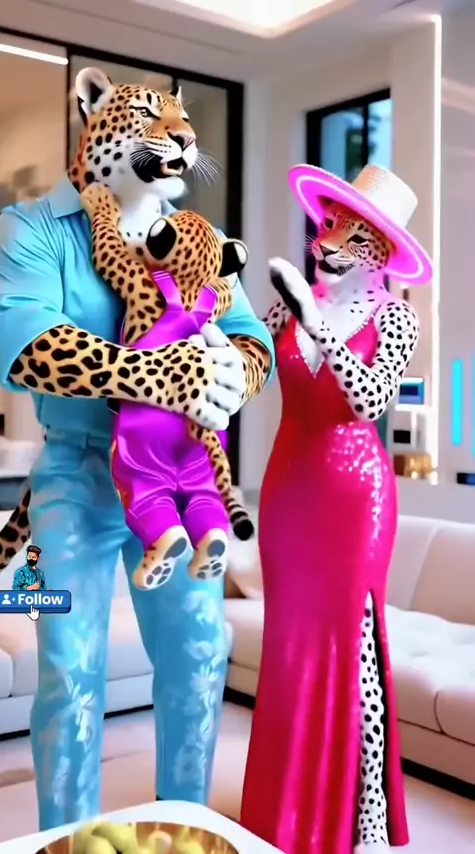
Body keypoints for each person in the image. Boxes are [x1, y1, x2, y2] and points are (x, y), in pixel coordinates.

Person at [0, 67, 274, 831]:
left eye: (180, 120)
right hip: (74, 472)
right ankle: (69, 839)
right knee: (68, 668)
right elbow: (24, 347)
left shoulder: (197, 235)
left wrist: (232, 374)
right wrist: (158, 375)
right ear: (94, 118)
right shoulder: (30, 228)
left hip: (180, 472)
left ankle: (186, 829)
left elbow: (251, 340)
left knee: (201, 652)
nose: (180, 132)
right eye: (151, 118)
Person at [241, 164, 433, 854]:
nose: (328, 241)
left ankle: (367, 815)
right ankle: (284, 813)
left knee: (356, 646)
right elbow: (248, 371)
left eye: (353, 233)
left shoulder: (397, 318)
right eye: (328, 224)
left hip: (357, 498)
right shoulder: (287, 306)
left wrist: (316, 322)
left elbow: (369, 399)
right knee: (290, 648)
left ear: (382, 249)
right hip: (289, 493)